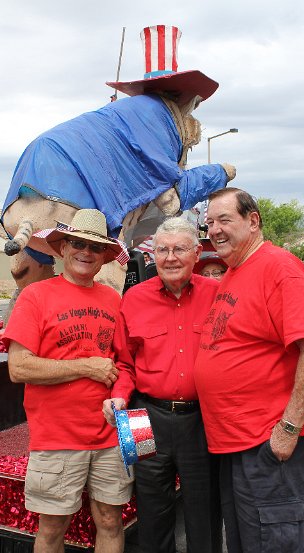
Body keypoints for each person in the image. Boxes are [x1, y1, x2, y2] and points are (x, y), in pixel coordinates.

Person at [195, 188, 304, 553]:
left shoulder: (279, 267)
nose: (215, 230)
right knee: (248, 541)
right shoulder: (235, 271)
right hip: (237, 443)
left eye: (225, 220)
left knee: (278, 541)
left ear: (252, 221)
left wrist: (288, 428)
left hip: (269, 443)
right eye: (210, 222)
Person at [2, 209, 133, 553]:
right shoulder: (35, 296)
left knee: (109, 521)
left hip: (109, 436)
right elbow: (19, 368)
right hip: (57, 438)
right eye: (77, 244)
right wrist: (86, 367)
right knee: (52, 528)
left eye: (94, 247)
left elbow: (123, 364)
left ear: (105, 257)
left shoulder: (113, 300)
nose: (85, 253)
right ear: (62, 249)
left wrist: (119, 394)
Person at [103, 217, 222, 553]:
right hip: (142, 418)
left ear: (196, 253)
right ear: (152, 254)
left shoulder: (217, 295)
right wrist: (118, 397)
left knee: (204, 512)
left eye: (179, 249)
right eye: (163, 250)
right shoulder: (134, 298)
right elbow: (125, 363)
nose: (170, 257)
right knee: (151, 515)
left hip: (202, 419)